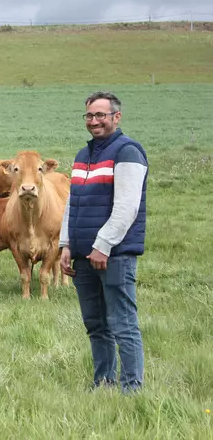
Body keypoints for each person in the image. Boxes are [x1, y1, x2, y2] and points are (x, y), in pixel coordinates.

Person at [59, 91, 148, 393]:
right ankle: (103, 382)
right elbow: (74, 203)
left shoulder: (128, 152)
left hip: (114, 255)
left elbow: (127, 207)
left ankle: (132, 389)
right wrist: (66, 244)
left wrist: (103, 245)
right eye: (89, 116)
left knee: (122, 324)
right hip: (83, 255)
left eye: (100, 115)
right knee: (96, 325)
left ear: (116, 117)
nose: (94, 121)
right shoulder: (83, 156)